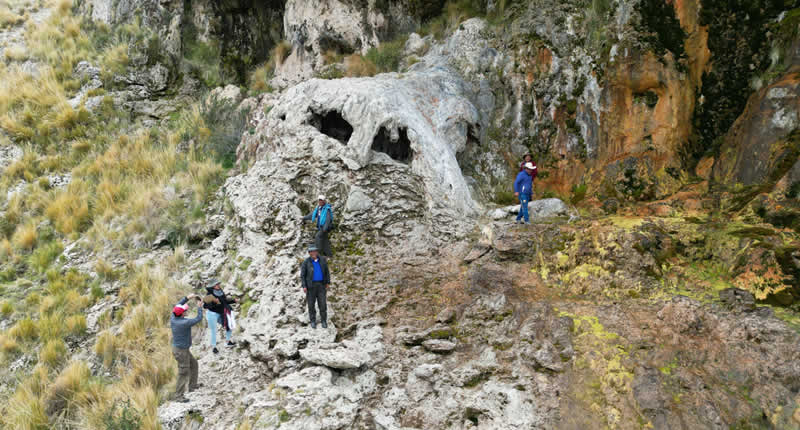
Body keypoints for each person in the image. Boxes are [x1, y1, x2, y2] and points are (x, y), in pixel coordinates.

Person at [170, 294, 204, 403]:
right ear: (182, 314)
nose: (186, 312)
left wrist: (187, 297)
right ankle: (178, 396)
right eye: (185, 311)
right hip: (181, 351)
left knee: (194, 364)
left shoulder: (174, 316)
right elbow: (198, 318)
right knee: (183, 372)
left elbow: (178, 305)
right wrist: (199, 307)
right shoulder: (184, 323)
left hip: (181, 349)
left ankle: (192, 386)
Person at [300, 245, 331, 329]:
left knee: (323, 304)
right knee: (311, 305)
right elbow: (302, 275)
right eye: (311, 252)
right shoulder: (306, 262)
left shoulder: (322, 261)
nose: (313, 253)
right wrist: (304, 286)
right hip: (310, 286)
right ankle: (313, 321)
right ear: (309, 253)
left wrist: (328, 282)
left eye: (315, 251)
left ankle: (323, 321)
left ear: (317, 252)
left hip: (321, 285)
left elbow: (327, 272)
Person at [203, 279, 237, 354]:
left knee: (229, 325)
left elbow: (224, 301)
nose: (218, 285)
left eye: (218, 284)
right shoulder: (209, 294)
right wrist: (215, 302)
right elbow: (205, 306)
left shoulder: (220, 291)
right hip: (212, 314)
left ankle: (228, 342)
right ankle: (214, 347)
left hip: (221, 313)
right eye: (216, 284)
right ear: (212, 286)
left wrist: (233, 301)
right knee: (213, 330)